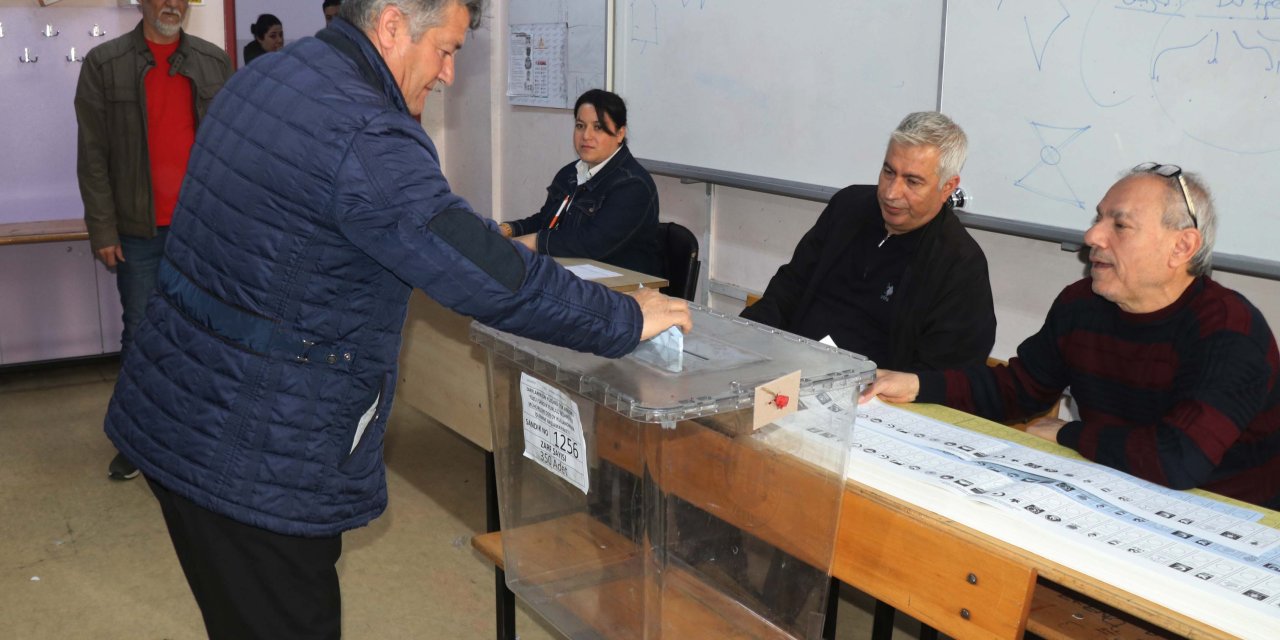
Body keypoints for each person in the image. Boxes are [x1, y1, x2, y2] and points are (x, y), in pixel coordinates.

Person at [102, 0, 691, 636]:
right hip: (257, 455)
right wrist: (623, 318)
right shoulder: (366, 132)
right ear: (390, 26)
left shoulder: (268, 76)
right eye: (447, 50)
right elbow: (485, 274)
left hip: (178, 410)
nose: (449, 74)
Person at [861, 166, 1280, 509]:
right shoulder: (1082, 304)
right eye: (1098, 219)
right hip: (1117, 489)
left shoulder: (1230, 329)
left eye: (1120, 225)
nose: (1092, 236)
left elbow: (1178, 458)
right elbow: (1017, 389)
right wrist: (916, 384)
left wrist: (1068, 433)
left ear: (1181, 247)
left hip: (1232, 527)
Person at [75, 0, 232, 481]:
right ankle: (138, 441)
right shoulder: (104, 64)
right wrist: (103, 228)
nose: (172, 3)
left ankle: (196, 437)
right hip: (137, 231)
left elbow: (233, 149)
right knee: (143, 335)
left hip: (200, 231)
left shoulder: (214, 62)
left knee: (204, 334)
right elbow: (92, 155)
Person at [740, 112, 996, 370]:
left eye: (912, 181)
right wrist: (741, 339)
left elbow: (944, 375)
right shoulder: (848, 207)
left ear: (947, 187)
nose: (891, 192)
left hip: (873, 388)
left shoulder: (960, 264)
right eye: (888, 172)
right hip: (788, 367)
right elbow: (788, 289)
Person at [499, 89, 662, 276]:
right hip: (571, 278)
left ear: (620, 133)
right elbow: (546, 220)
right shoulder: (570, 173)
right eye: (580, 126)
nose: (586, 135)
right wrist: (508, 230)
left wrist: (533, 241)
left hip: (621, 287)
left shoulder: (633, 185)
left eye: (598, 127)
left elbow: (592, 243)